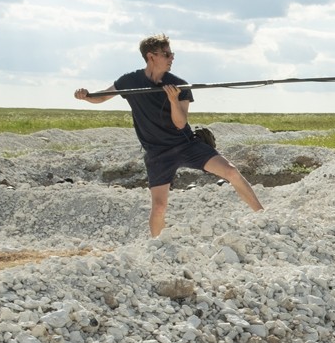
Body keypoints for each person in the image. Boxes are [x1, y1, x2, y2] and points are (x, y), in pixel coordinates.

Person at [73, 35, 264, 237]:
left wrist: (173, 99)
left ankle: (263, 217)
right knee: (159, 207)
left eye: (172, 53)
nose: (172, 58)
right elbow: (102, 96)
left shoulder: (179, 85)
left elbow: (180, 123)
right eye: (167, 54)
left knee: (232, 172)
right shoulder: (129, 81)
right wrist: (86, 96)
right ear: (151, 56)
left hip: (186, 144)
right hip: (158, 154)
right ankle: (155, 246)